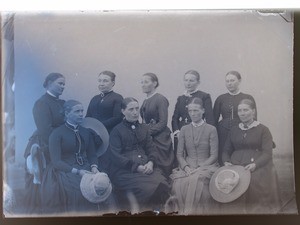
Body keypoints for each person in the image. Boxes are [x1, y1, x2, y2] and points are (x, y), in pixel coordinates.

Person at [41, 100, 103, 214]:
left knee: (102, 186)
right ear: (67, 113)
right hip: (65, 169)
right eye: (77, 111)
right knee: (78, 191)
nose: (81, 114)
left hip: (85, 167)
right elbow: (56, 161)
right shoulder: (57, 133)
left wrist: (94, 167)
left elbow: (92, 154)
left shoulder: (85, 132)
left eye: (82, 111)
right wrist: (78, 172)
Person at [109, 97, 170, 212]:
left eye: (137, 109)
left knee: (162, 183)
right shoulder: (116, 131)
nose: (135, 112)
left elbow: (151, 149)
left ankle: (158, 215)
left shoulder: (144, 128)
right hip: (126, 171)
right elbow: (115, 156)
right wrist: (136, 167)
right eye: (131, 109)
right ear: (123, 111)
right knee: (147, 188)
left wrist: (151, 163)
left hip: (147, 168)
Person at [222, 99, 281, 214]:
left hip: (257, 165)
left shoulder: (263, 129)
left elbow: (267, 153)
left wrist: (255, 164)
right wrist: (226, 162)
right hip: (236, 165)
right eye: (240, 110)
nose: (242, 113)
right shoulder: (234, 130)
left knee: (254, 181)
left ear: (253, 111)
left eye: (245, 110)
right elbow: (226, 151)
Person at [23, 72, 66, 214]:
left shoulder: (62, 103)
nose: (63, 86)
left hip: (60, 140)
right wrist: (61, 145)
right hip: (45, 143)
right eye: (60, 83)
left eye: (64, 84)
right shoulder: (41, 103)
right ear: (49, 83)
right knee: (45, 176)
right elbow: (45, 130)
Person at [169, 97, 219, 215]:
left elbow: (214, 155)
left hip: (207, 167)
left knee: (197, 182)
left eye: (196, 110)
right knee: (178, 184)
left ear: (203, 111)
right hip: (188, 167)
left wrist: (200, 167)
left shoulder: (211, 129)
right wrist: (186, 167)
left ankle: (195, 216)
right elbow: (179, 154)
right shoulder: (184, 129)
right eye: (190, 111)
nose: (193, 114)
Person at [213, 71, 257, 165]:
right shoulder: (220, 98)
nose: (229, 83)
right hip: (223, 133)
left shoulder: (248, 97)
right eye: (227, 81)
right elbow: (214, 120)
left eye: (232, 80)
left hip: (242, 131)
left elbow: (254, 119)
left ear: (239, 81)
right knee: (224, 158)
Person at [172, 70, 215, 164]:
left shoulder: (204, 96)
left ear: (198, 82)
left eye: (191, 81)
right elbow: (175, 118)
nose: (188, 83)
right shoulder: (181, 98)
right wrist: (177, 132)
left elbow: (210, 118)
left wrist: (206, 134)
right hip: (181, 131)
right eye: (186, 80)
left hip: (199, 131)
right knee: (180, 158)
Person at [86, 71, 123, 173]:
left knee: (107, 161)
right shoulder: (94, 99)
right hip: (93, 135)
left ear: (113, 83)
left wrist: (99, 126)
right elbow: (88, 117)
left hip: (109, 134)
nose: (101, 83)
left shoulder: (117, 98)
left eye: (105, 81)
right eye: (100, 80)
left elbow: (117, 117)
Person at [140, 73, 175, 176]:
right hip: (149, 137)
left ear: (154, 83)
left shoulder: (160, 99)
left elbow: (163, 122)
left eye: (146, 82)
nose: (143, 85)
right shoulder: (145, 101)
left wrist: (147, 133)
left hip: (160, 138)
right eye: (142, 82)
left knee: (161, 164)